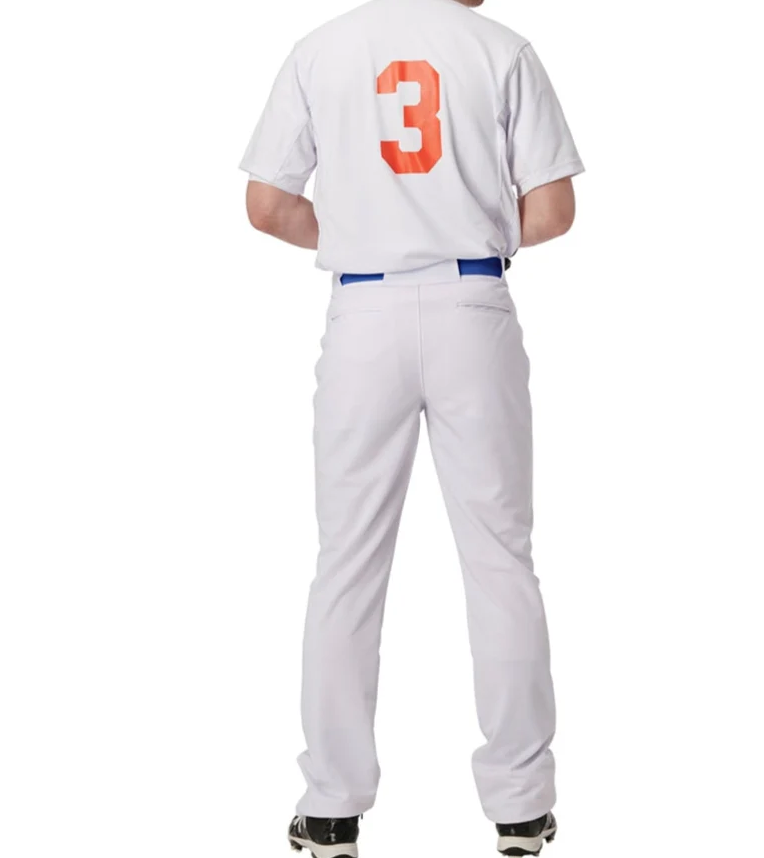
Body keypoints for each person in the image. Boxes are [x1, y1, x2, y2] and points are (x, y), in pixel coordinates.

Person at [239, 0, 584, 855]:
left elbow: (267, 206)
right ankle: (519, 808)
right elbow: (550, 212)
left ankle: (330, 807)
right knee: (499, 557)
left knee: (346, 562)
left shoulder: (321, 48)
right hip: (473, 301)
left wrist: (370, 234)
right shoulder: (502, 48)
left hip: (364, 307)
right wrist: (457, 226)